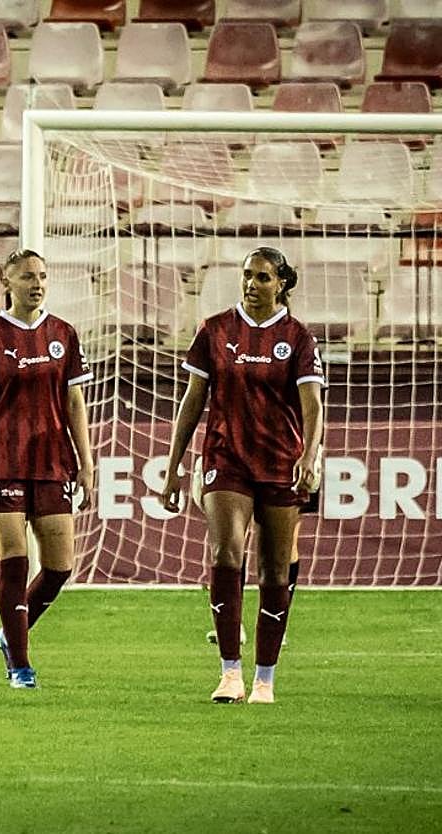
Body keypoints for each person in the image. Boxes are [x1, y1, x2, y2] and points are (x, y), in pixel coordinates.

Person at [160, 247, 324, 705]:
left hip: (279, 461)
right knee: (226, 549)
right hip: (225, 458)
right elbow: (192, 402)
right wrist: (173, 467)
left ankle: (265, 678)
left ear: (282, 284)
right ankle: (230, 672)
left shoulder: (298, 337)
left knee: (274, 567)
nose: (252, 284)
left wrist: (310, 455)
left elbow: (312, 405)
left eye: (263, 278)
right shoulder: (214, 331)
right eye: (247, 275)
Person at [0, 249, 94, 690]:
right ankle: (20, 665)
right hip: (1, 464)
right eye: (27, 277)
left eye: (42, 276)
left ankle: (9, 634)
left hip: (53, 462)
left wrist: (87, 462)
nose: (36, 284)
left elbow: (74, 403)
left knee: (59, 568)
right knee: (14, 560)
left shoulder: (63, 335)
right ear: (7, 283)